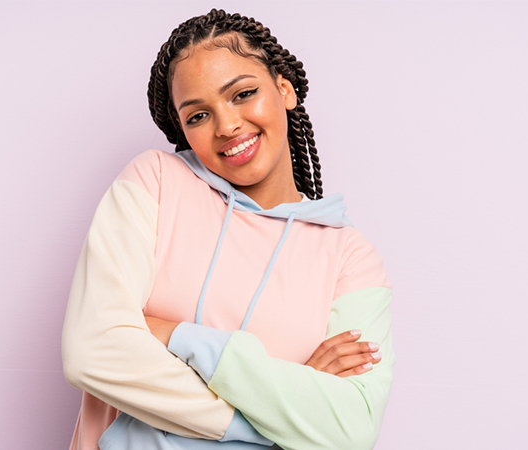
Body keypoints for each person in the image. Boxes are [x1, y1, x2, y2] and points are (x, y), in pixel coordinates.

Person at [62, 8, 395, 450]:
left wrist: (174, 334)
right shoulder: (156, 182)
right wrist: (280, 411)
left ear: (285, 89)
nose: (227, 126)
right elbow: (92, 352)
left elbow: (351, 431)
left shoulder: (348, 256)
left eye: (243, 94)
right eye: (197, 116)